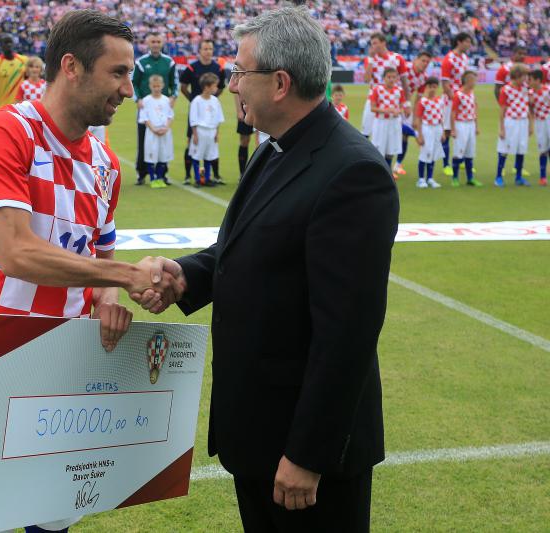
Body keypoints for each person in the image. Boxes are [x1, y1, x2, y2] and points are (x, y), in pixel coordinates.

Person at [132, 6, 398, 531]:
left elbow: (347, 333)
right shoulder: (274, 147)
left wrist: (308, 454)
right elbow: (247, 249)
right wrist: (187, 275)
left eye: (239, 72)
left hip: (301, 455)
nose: (232, 85)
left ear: (280, 83)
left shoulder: (353, 172)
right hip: (257, 435)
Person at [0, 11, 178, 532]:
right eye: (118, 73)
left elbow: (99, 262)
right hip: (0, 347)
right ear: (71, 67)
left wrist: (110, 299)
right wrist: (128, 278)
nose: (128, 88)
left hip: (70, 357)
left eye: (130, 74)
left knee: (53, 517)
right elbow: (17, 252)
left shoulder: (106, 163)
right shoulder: (6, 131)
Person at [131, 31, 178, 185]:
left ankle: (162, 174)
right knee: (144, 141)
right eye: (153, 42)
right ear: (148, 44)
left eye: (158, 41)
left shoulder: (169, 62)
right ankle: (142, 173)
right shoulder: (141, 62)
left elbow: (174, 83)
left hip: (162, 108)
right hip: (146, 108)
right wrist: (137, 99)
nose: (156, 44)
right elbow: (134, 83)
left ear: (162, 43)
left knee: (163, 142)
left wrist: (173, 97)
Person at [179, 40, 226, 184]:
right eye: (205, 49)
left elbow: (221, 87)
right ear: (199, 51)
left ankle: (215, 175)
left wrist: (212, 100)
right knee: (191, 142)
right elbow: (183, 87)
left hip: (210, 112)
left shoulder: (218, 68)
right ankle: (188, 176)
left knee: (211, 144)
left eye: (210, 49)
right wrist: (192, 99)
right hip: (197, 113)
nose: (208, 51)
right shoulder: (192, 68)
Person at [361, 33, 409, 139]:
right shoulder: (370, 60)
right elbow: (366, 80)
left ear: (383, 43)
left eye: (375, 43)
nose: (373, 46)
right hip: (374, 98)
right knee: (365, 132)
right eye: (371, 44)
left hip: (392, 98)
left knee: (391, 133)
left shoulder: (397, 58)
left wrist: (407, 103)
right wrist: (371, 59)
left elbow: (405, 82)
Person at [394, 51, 431, 176]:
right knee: (395, 130)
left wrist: (416, 117)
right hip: (391, 103)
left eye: (427, 62)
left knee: (404, 136)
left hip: (406, 106)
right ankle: (415, 134)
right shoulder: (406, 68)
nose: (425, 64)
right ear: (416, 59)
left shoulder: (424, 77)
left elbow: (418, 98)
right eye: (423, 60)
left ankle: (398, 165)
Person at [440, 32, 472, 176]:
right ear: (459, 42)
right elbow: (445, 84)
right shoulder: (449, 59)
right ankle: (446, 164)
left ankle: (461, 161)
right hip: (450, 101)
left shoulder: (465, 58)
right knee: (447, 131)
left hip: (463, 102)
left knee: (463, 131)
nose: (469, 45)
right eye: (467, 42)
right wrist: (456, 99)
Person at [496, 65, 532, 187]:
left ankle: (518, 177)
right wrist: (501, 128)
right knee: (504, 149)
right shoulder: (505, 90)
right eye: (523, 76)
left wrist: (530, 125)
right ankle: (498, 177)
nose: (526, 78)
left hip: (523, 121)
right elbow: (502, 110)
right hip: (510, 121)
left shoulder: (526, 88)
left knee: (521, 149)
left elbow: (528, 107)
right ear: (516, 76)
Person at [188, 73, 224, 187]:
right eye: (214, 86)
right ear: (207, 87)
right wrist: (195, 134)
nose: (216, 88)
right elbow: (193, 119)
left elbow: (218, 118)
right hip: (200, 131)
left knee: (209, 155)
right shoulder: (197, 101)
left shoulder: (215, 101)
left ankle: (207, 178)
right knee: (198, 155)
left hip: (211, 131)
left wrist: (217, 133)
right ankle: (198, 179)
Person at [139, 74, 174, 188]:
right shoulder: (146, 100)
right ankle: (153, 179)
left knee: (162, 156)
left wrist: (166, 127)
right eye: (154, 86)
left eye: (158, 86)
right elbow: (144, 117)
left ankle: (160, 178)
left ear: (162, 86)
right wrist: (153, 128)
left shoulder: (166, 100)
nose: (156, 88)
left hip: (164, 132)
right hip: (152, 132)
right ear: (150, 86)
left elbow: (170, 115)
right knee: (151, 155)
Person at [370, 67, 407, 174]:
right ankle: (378, 171)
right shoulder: (377, 89)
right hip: (381, 122)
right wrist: (386, 110)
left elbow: (402, 107)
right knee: (379, 147)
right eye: (389, 77)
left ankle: (388, 171)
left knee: (391, 148)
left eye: (394, 77)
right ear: (384, 78)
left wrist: (398, 111)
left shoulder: (399, 91)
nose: (391, 79)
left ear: (397, 78)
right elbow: (372, 108)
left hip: (394, 122)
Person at [450, 71, 481, 187]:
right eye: (473, 80)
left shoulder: (472, 93)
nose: (475, 83)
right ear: (467, 81)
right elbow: (453, 112)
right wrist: (453, 129)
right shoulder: (458, 95)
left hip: (470, 124)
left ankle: (470, 178)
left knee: (470, 152)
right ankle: (455, 178)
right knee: (459, 151)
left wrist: (476, 126)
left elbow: (474, 110)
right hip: (461, 124)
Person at [413, 77, 444, 189]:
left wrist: (443, 132)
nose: (432, 89)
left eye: (434, 87)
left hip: (437, 128)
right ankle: (421, 179)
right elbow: (419, 119)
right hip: (427, 128)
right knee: (425, 153)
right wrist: (420, 135)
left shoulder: (439, 101)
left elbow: (441, 117)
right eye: (430, 87)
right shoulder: (423, 102)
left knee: (434, 153)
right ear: (426, 87)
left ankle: (430, 178)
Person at [0, 34, 28, 110]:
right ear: (1, 45)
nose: (9, 45)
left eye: (10, 42)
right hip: (5, 109)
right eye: (6, 42)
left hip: (22, 108)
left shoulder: (24, 60)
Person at [528, 70, 550, 186]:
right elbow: (530, 110)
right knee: (542, 149)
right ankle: (543, 177)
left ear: (537, 80)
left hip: (549, 119)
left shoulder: (548, 90)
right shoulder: (530, 93)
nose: (528, 82)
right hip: (539, 122)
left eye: (530, 79)